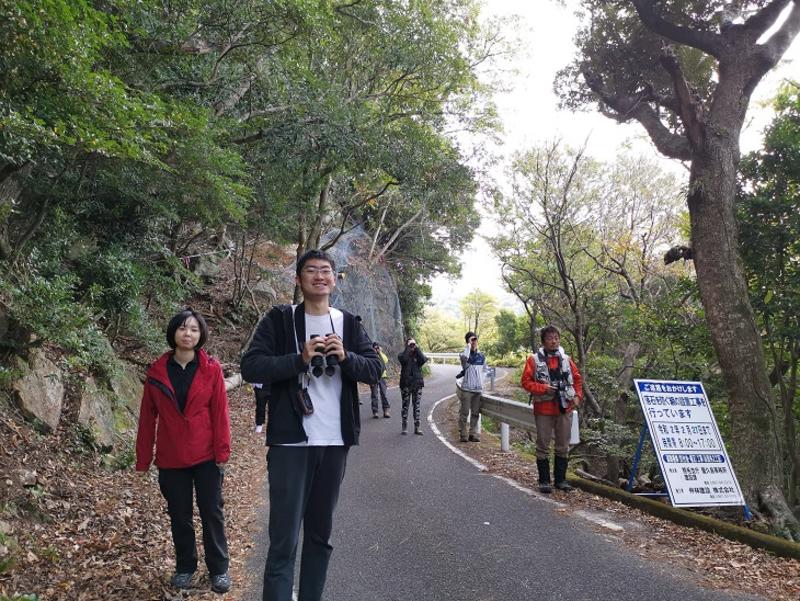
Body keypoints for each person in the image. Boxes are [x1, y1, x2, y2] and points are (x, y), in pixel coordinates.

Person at [240, 249, 382, 601]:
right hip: (290, 443)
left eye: (326, 271)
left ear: (334, 279)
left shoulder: (348, 323)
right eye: (311, 270)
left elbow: (376, 369)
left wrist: (347, 357)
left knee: (320, 536)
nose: (320, 276)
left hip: (334, 442)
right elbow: (252, 366)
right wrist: (299, 359)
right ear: (298, 279)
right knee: (284, 538)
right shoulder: (280, 319)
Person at [135, 308, 231, 594]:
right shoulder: (156, 373)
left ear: (200, 335)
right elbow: (146, 419)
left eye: (193, 329)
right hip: (171, 457)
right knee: (179, 514)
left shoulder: (211, 369)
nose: (187, 334)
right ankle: (185, 567)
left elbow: (220, 414)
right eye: (182, 328)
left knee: (212, 512)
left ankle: (219, 569)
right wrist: (143, 460)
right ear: (173, 333)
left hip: (206, 456)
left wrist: (222, 453)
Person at [520, 325, 583, 493]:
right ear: (543, 341)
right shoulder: (534, 360)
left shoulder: (566, 359)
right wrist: (543, 389)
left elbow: (577, 379)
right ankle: (544, 481)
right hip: (544, 408)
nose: (554, 341)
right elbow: (525, 382)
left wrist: (577, 396)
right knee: (543, 444)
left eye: (556, 338)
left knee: (563, 445)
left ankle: (561, 480)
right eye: (550, 338)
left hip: (565, 407)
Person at [458, 331, 486, 443]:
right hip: (467, 389)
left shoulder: (482, 356)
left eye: (475, 340)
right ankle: (463, 434)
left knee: (475, 413)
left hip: (477, 390)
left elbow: (484, 371)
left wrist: (481, 383)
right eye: (471, 340)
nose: (474, 342)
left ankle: (473, 434)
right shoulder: (464, 355)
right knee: (464, 413)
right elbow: (464, 358)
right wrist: (468, 345)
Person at [397, 337, 428, 435]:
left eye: (413, 344)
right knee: (405, 406)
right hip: (406, 384)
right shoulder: (402, 355)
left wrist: (417, 348)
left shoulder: (418, 356)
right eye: (410, 344)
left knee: (417, 406)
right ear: (406, 345)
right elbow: (403, 359)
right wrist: (408, 348)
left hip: (417, 384)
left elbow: (423, 360)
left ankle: (417, 427)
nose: (412, 346)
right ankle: (404, 426)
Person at [370, 342, 390, 419]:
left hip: (382, 376)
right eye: (374, 348)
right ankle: (375, 412)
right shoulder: (371, 355)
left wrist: (380, 352)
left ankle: (386, 410)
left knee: (384, 394)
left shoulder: (381, 354)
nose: (376, 349)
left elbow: (386, 360)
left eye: (377, 347)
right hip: (373, 377)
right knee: (374, 395)